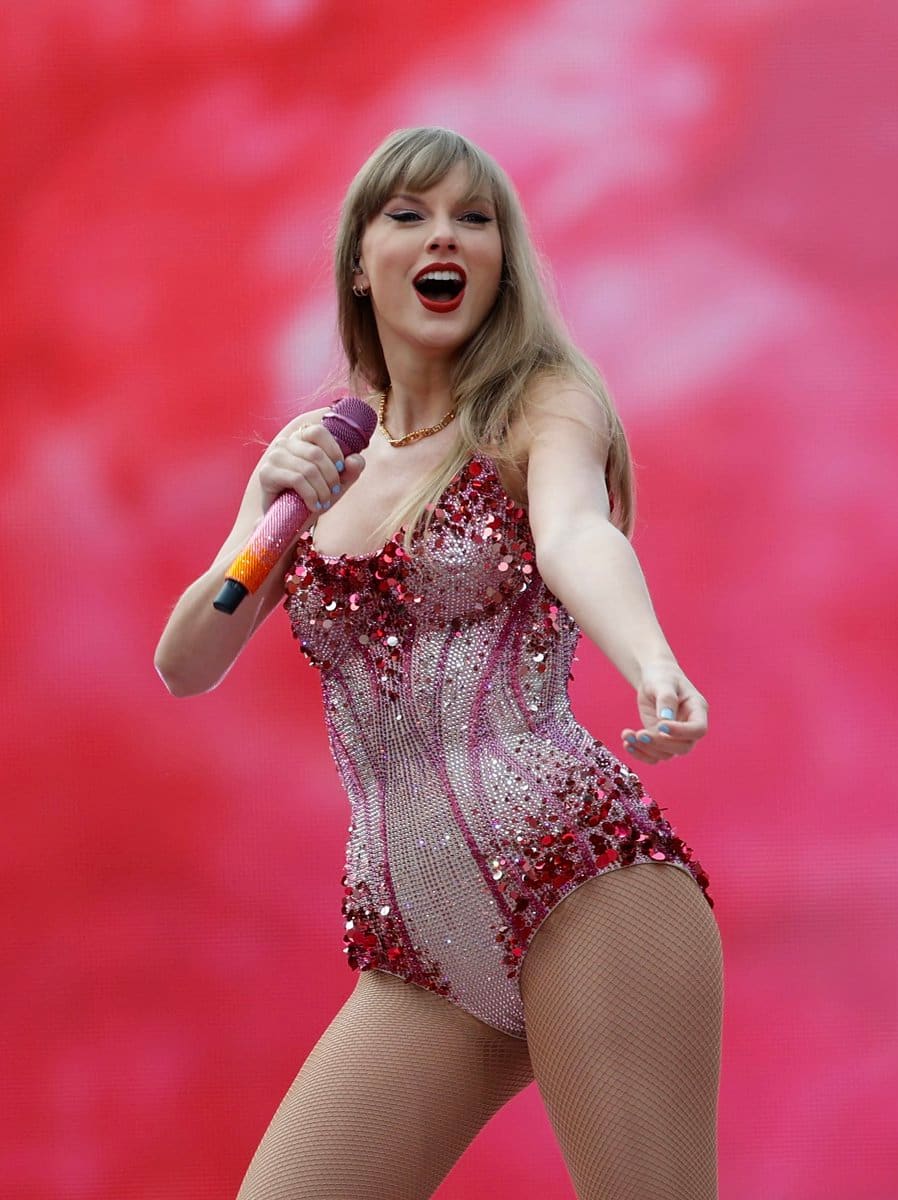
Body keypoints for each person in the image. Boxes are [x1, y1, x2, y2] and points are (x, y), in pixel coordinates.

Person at [155, 126, 723, 1200]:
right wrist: (266, 505)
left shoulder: (539, 403)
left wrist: (651, 658)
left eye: (474, 218)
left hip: (580, 880)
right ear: (358, 265)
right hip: (417, 948)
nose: (444, 237)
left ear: (501, 262)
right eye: (409, 215)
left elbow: (575, 534)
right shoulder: (319, 457)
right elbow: (187, 662)